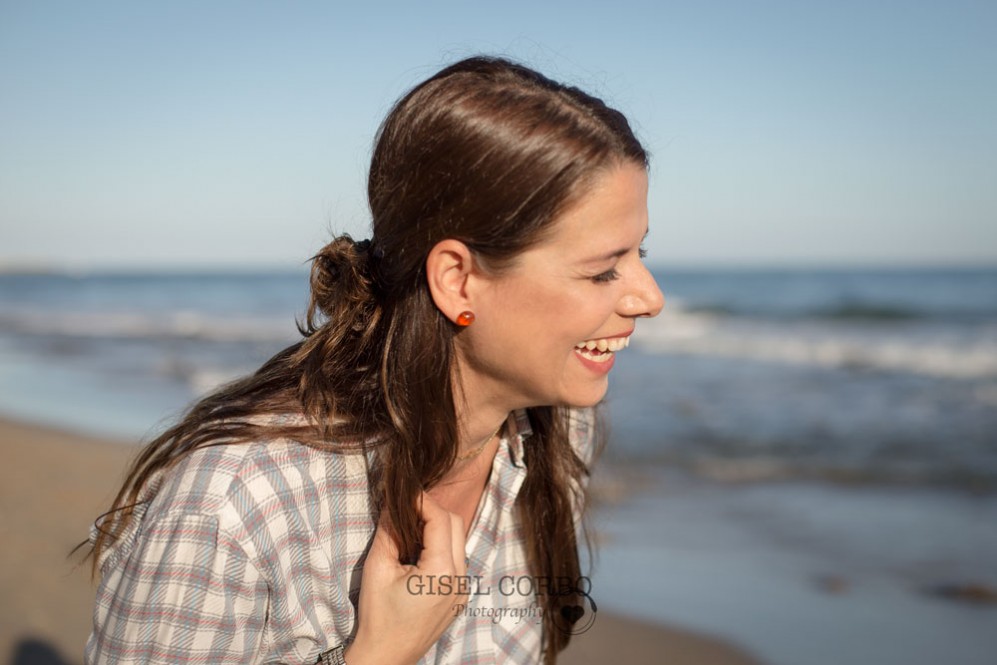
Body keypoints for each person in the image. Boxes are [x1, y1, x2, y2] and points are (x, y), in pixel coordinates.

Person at [82, 55, 664, 665]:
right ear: (458, 281)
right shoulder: (235, 505)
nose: (650, 298)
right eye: (604, 269)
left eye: (639, 254)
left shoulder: (557, 429)